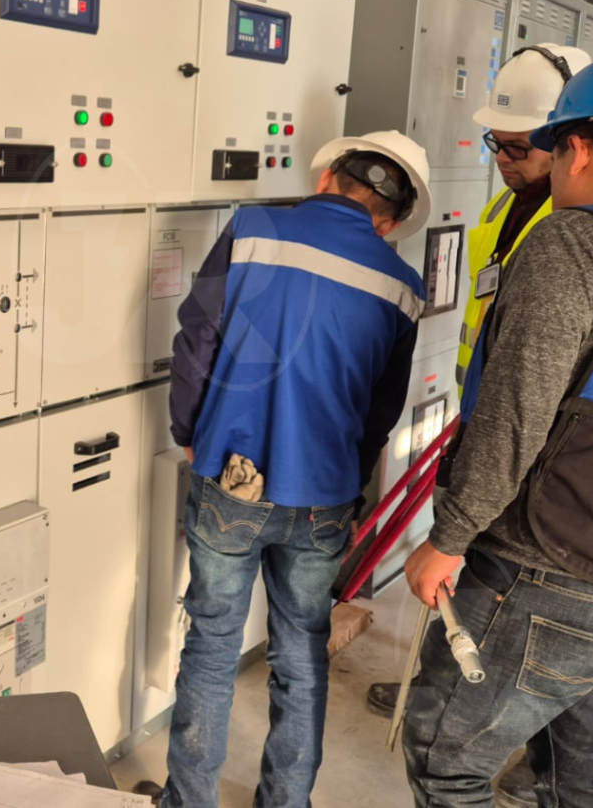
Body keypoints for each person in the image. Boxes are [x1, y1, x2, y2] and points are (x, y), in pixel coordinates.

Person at [135, 131, 431, 808]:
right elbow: (380, 413)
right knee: (301, 652)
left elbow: (196, 340)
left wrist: (190, 433)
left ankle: (188, 800)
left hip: (232, 478)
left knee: (213, 646)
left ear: (326, 180)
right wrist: (349, 491)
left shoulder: (253, 229)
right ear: (390, 222)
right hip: (324, 496)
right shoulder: (402, 286)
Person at [402, 48, 593, 808]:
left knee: (447, 760)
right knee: (579, 750)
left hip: (553, 561)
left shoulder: (577, 241)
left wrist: (449, 537)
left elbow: (516, 413)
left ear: (576, 149)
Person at [366, 43, 592, 724]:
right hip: (482, 416)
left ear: (568, 141)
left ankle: (459, 716)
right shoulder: (503, 209)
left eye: (519, 147)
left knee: (498, 588)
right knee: (467, 578)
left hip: (532, 445)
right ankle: (440, 691)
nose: (502, 158)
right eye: (496, 142)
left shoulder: (575, 232)